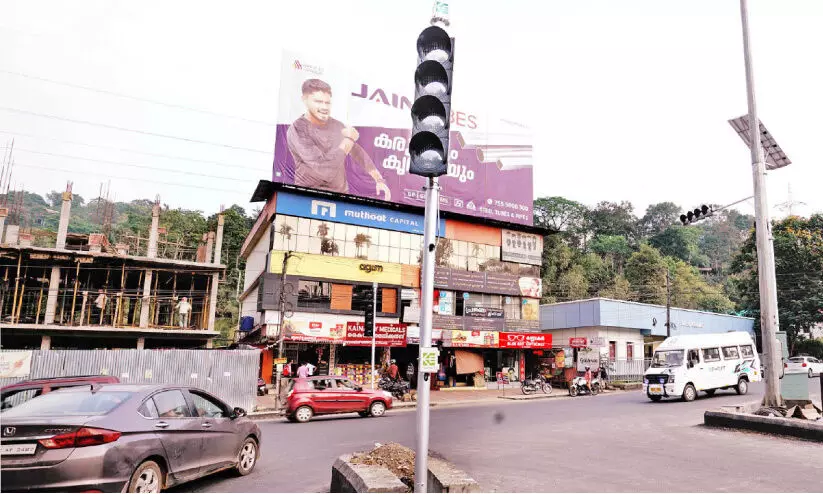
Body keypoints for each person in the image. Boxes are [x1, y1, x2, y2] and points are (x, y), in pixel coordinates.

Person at [286, 78, 390, 200]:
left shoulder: (337, 126)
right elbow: (324, 170)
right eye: (318, 102)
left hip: (340, 199)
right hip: (307, 197)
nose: (324, 107)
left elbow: (358, 153)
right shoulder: (298, 129)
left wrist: (379, 179)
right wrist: (349, 140)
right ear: (305, 100)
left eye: (327, 102)